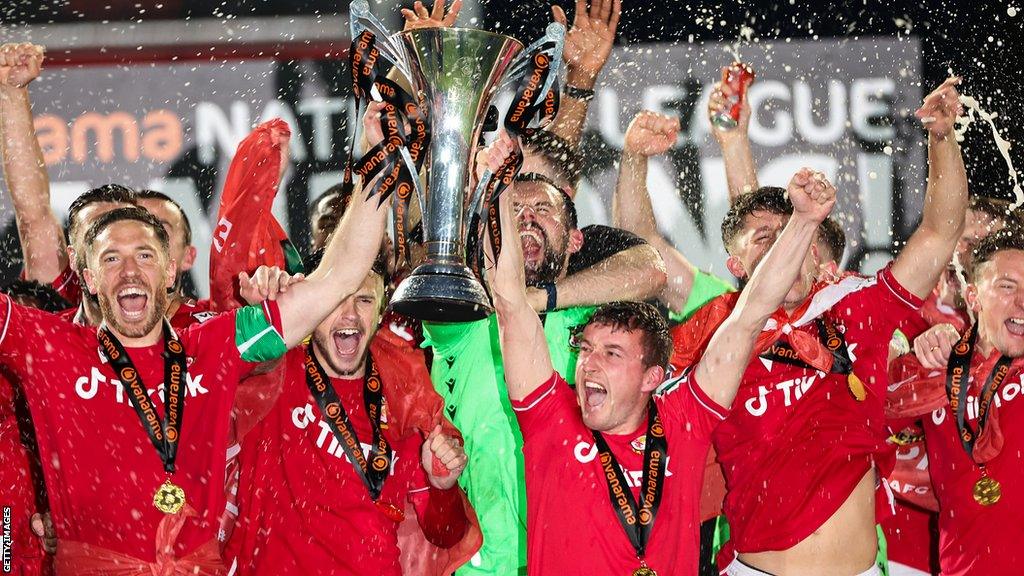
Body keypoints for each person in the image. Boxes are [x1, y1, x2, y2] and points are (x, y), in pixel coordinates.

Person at [0, 150, 388, 573]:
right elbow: (33, 217)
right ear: (89, 279)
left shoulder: (215, 346)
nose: (130, 271)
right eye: (111, 259)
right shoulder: (50, 346)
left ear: (170, 271)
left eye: (145, 255)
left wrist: (379, 156)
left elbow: (343, 274)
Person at [671, 77, 968, 576]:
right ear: (736, 266)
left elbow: (940, 233)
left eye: (793, 234)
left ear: (815, 247)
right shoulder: (711, 330)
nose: (781, 250)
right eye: (763, 240)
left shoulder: (853, 307)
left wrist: (942, 140)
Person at [490, 164, 837, 574]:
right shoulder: (552, 419)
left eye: (612, 353)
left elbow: (752, 312)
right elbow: (510, 303)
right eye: (585, 349)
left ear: (652, 377)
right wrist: (497, 190)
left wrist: (804, 221)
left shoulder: (683, 419)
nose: (587, 364)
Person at [423, 130, 667, 576]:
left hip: (579, 560)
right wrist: (483, 183)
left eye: (543, 211)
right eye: (515, 211)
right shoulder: (460, 321)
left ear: (576, 240)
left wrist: (544, 299)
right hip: (482, 567)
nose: (528, 217)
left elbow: (652, 271)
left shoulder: (601, 328)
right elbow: (439, 242)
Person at [885, 226, 1024, 575]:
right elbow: (857, 418)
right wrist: (902, 349)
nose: (1023, 301)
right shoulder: (937, 369)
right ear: (973, 297)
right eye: (1007, 286)